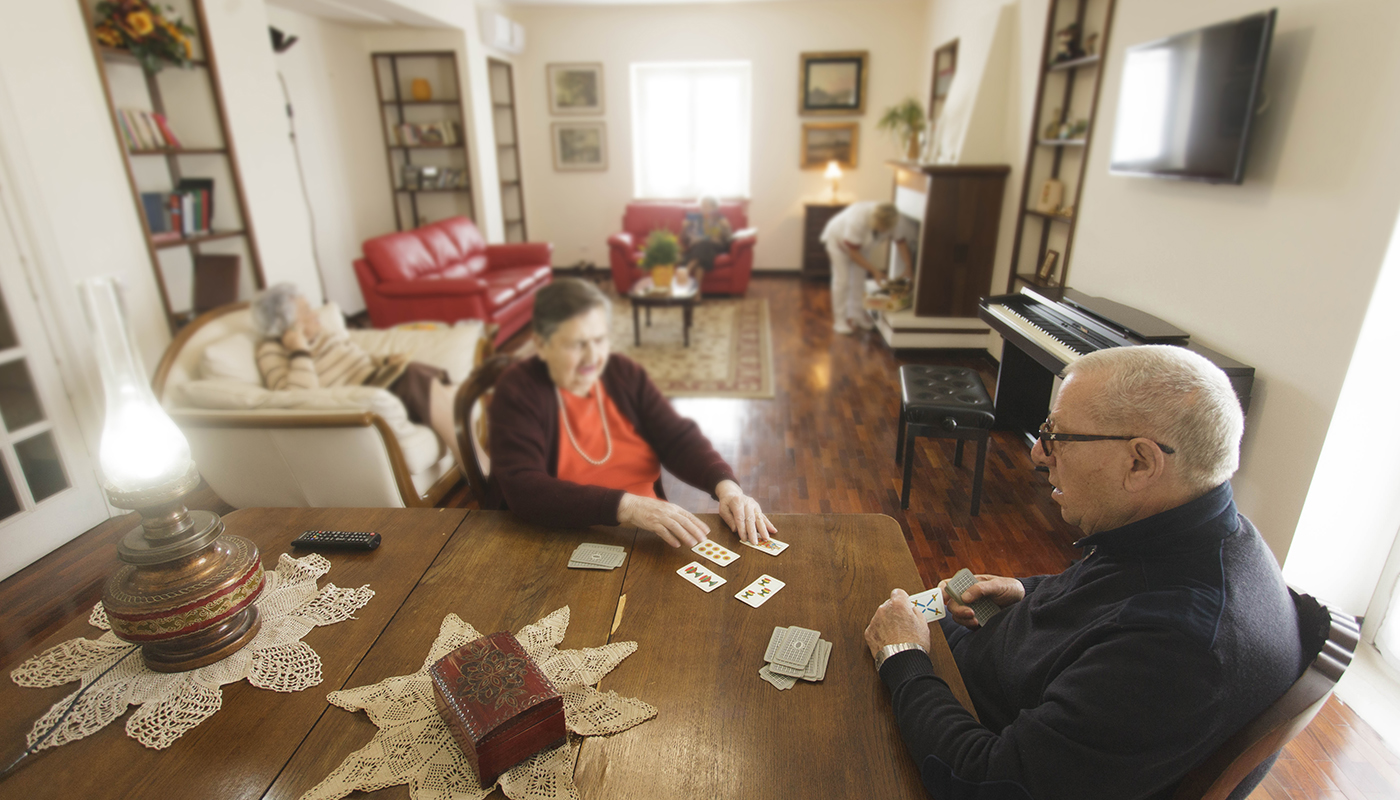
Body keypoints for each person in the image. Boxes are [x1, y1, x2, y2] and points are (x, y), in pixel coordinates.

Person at [863, 345, 1304, 800]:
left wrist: (903, 654)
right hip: (987, 679)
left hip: (964, 749)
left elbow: (989, 782)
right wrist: (1026, 592)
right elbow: (1106, 604)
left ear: (1140, 462)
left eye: (1057, 437)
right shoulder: (1195, 530)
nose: (1039, 454)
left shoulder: (1174, 650)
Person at [488, 278, 775, 547]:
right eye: (576, 344)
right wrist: (628, 506)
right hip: (562, 540)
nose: (593, 357)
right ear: (541, 344)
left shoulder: (622, 372)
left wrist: (728, 489)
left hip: (646, 535)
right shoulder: (518, 389)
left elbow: (677, 439)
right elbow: (522, 487)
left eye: (599, 340)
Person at [250, 283, 460, 461]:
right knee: (419, 377)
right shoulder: (272, 351)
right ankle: (471, 463)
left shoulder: (322, 334)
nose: (315, 315)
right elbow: (295, 397)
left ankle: (475, 463)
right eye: (305, 311)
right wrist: (299, 349)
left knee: (445, 388)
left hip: (381, 378)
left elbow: (358, 358)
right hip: (366, 395)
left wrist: (385, 360)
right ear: (286, 325)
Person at [820, 201, 913, 334]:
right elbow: (853, 253)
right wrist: (875, 271)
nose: (884, 231)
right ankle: (840, 321)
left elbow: (901, 243)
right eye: (881, 227)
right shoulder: (858, 218)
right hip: (838, 243)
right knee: (843, 281)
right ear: (875, 220)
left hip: (861, 247)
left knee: (859, 281)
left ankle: (857, 316)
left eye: (886, 228)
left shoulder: (894, 220)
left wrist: (909, 267)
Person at [681, 196, 733, 286]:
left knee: (705, 245)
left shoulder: (720, 218)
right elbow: (684, 240)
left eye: (706, 206)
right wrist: (685, 228)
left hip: (716, 246)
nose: (703, 208)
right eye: (702, 206)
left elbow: (729, 238)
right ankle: (697, 293)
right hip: (699, 246)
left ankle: (687, 269)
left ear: (714, 207)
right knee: (702, 260)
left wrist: (727, 227)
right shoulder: (694, 218)